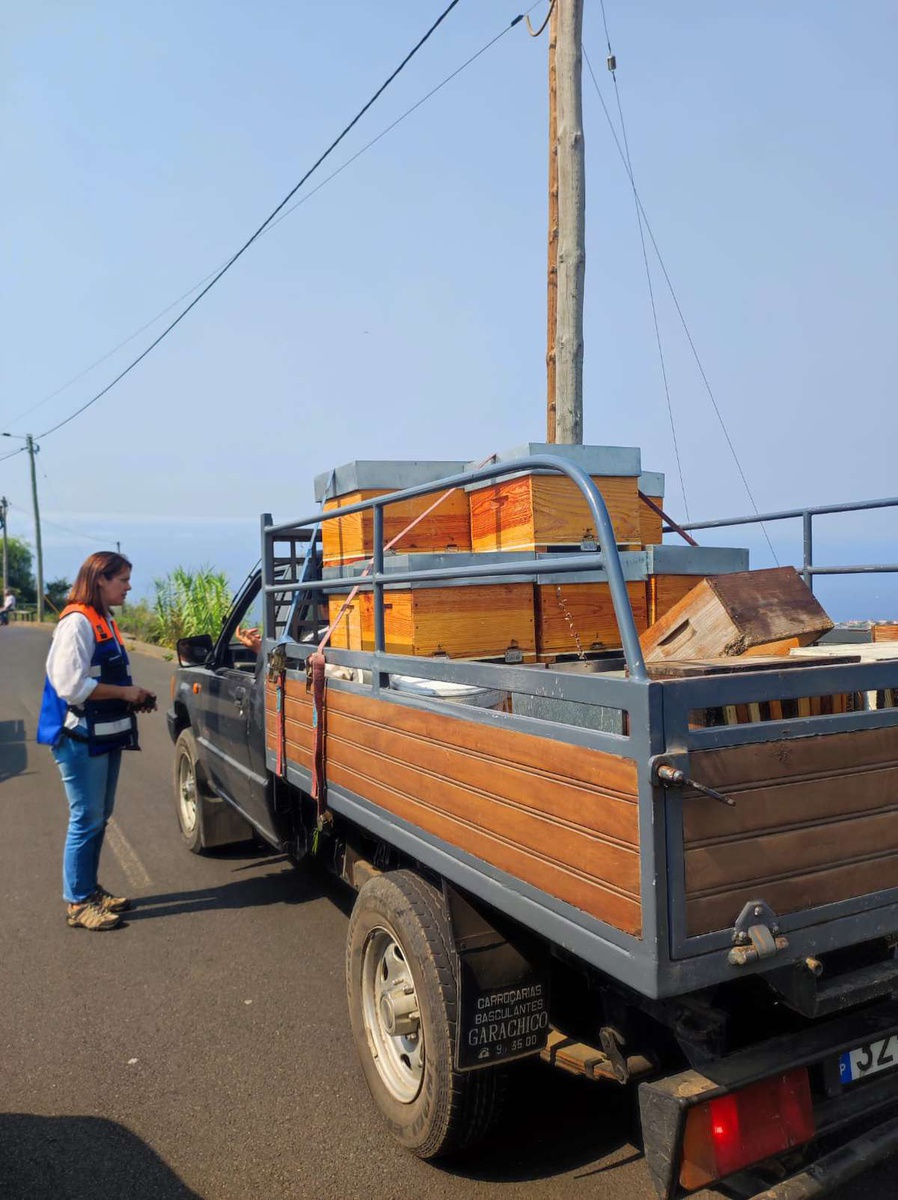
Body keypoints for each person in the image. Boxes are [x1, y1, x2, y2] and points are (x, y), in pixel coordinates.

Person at [37, 552, 156, 931]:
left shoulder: (102, 619)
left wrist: (134, 694)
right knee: (86, 819)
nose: (128, 586)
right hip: (79, 737)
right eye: (122, 579)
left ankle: (88, 890)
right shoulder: (77, 623)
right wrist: (124, 694)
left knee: (98, 817)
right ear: (100, 580)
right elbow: (70, 686)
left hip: (101, 736)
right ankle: (77, 902)